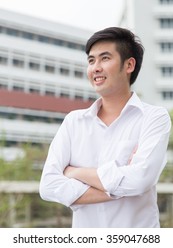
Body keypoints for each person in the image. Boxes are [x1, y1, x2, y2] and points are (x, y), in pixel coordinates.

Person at [39, 27, 171, 228]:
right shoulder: (74, 122)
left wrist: (76, 172)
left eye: (105, 58)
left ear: (129, 65)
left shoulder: (153, 118)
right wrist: (121, 187)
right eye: (91, 61)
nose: (96, 67)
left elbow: (140, 180)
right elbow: (48, 186)